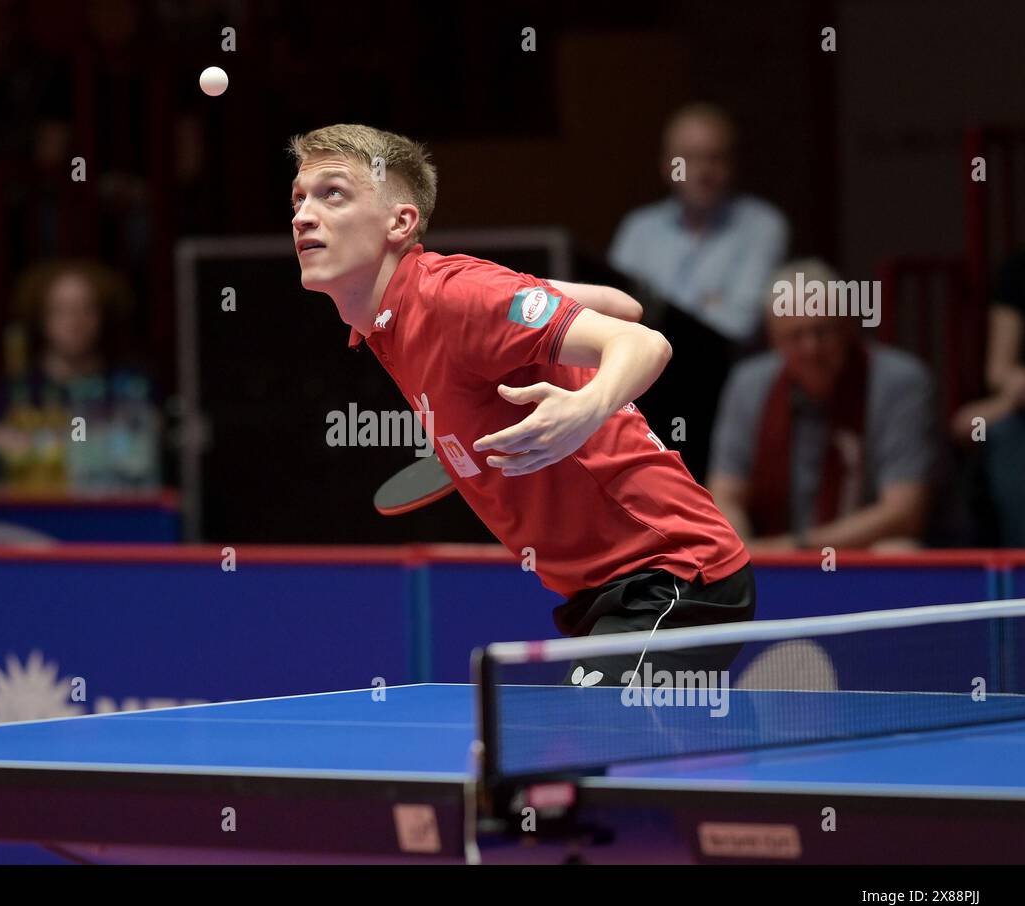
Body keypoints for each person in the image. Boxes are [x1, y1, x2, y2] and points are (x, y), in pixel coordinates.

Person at [289, 123, 754, 687]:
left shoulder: (452, 299)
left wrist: (585, 410)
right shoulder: (391, 326)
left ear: (400, 222)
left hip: (676, 577)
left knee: (556, 758)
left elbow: (645, 341)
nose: (303, 215)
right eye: (299, 197)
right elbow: (622, 306)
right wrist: (515, 291)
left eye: (331, 193)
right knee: (587, 762)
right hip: (602, 593)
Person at [708, 259, 934, 550]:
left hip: (860, 551)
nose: (811, 348)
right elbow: (725, 495)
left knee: (899, 550)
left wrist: (797, 547)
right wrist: (744, 550)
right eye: (796, 335)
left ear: (848, 327)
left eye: (823, 331)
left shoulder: (900, 381)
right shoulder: (749, 384)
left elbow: (904, 512)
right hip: (773, 553)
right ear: (774, 339)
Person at [609, 103, 788, 347]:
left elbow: (739, 325)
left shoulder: (763, 226)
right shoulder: (638, 229)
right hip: (648, 370)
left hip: (725, 371)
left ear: (731, 164)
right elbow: (615, 316)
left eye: (714, 158)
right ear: (667, 166)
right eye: (688, 159)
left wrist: (656, 312)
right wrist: (708, 303)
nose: (702, 171)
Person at [0, 260, 160, 493]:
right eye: (61, 310)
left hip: (110, 517)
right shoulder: (15, 392)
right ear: (43, 319)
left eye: (85, 309)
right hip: (34, 517)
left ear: (101, 316)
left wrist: (47, 445)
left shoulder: (132, 388)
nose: (75, 322)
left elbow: (142, 452)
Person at [952, 248, 1025, 545]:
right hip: (1023, 409)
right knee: (973, 425)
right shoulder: (1020, 270)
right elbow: (999, 371)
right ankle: (1023, 569)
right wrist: (1019, 383)